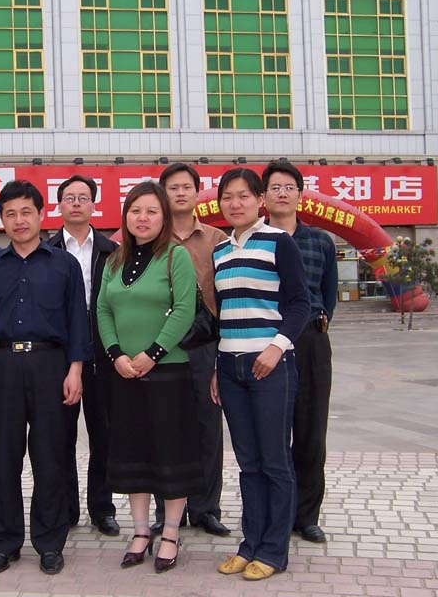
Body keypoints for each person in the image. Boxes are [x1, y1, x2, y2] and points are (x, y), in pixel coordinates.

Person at [0, 179, 91, 576]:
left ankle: (50, 543)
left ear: (41, 215)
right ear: (1, 220)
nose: (19, 220)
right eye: (10, 214)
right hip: (1, 366)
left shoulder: (64, 265)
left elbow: (77, 321)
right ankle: (3, 543)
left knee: (50, 457)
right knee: (3, 458)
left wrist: (75, 369)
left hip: (51, 366)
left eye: (26, 212)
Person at [97, 181, 202, 574]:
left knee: (170, 452)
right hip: (124, 373)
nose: (142, 218)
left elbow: (184, 309)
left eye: (151, 211)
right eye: (135, 210)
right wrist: (116, 355)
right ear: (126, 216)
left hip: (168, 372)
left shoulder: (176, 256)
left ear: (164, 217)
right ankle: (141, 530)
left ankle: (171, 532)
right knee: (133, 453)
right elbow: (103, 310)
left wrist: (153, 353)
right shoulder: (114, 260)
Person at [211, 168, 310, 581]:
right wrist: (217, 367)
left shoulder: (279, 242)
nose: (235, 204)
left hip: (269, 365)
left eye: (243, 196)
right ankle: (249, 544)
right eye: (227, 197)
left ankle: (273, 550)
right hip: (229, 367)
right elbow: (223, 314)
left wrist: (276, 346)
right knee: (248, 462)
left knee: (274, 461)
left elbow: (301, 303)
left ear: (260, 201)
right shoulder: (220, 251)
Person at [151, 162, 230, 538]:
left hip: (204, 345)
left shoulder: (217, 239)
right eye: (173, 188)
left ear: (197, 192)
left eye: (186, 187)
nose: (180, 193)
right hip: (160, 347)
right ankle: (166, 509)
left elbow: (227, 297)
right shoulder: (152, 237)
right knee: (163, 427)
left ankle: (205, 508)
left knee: (207, 428)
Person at [263, 161, 337, 544]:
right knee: (272, 433)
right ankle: (275, 512)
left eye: (289, 187)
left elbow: (329, 295)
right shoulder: (253, 240)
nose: (282, 193)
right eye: (275, 187)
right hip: (265, 344)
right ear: (263, 197)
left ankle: (306, 516)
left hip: (309, 342)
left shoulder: (320, 242)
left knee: (311, 432)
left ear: (300, 195)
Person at [47, 174, 120, 537]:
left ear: (94, 204)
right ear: (59, 205)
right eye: (69, 197)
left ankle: (102, 508)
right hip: (59, 355)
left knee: (103, 433)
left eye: (83, 197)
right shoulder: (47, 250)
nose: (76, 203)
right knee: (60, 435)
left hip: (103, 353)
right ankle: (66, 508)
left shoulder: (112, 251)